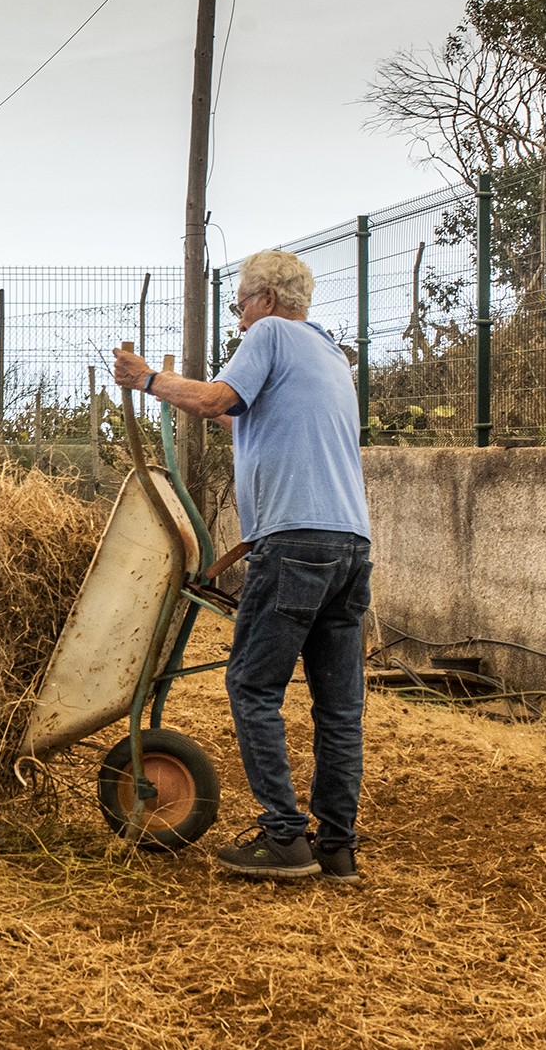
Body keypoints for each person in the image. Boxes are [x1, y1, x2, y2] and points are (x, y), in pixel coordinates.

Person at [109, 248, 371, 883]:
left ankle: (284, 838)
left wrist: (147, 380)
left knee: (253, 687)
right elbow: (240, 412)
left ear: (268, 301)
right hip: (351, 546)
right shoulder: (330, 354)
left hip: (294, 544)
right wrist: (197, 399)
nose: (240, 321)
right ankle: (336, 847)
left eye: (240, 307)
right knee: (339, 710)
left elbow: (214, 400)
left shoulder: (272, 334)